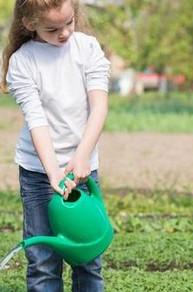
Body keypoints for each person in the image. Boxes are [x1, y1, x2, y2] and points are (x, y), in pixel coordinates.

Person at [1, 0, 110, 291]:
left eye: (69, 23)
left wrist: (83, 155)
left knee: (88, 257)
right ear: (30, 23)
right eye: (52, 29)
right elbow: (37, 120)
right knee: (43, 262)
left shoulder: (87, 48)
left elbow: (98, 106)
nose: (63, 34)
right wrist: (52, 172)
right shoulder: (23, 61)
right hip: (39, 173)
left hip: (82, 169)